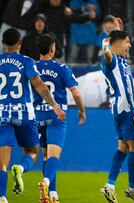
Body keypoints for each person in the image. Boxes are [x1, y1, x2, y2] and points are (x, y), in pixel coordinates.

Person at [0, 28, 65, 203]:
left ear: (3, 43)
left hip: (2, 114)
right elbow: (39, 85)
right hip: (25, 114)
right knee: (32, 152)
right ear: (20, 44)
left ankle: (2, 197)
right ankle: (21, 168)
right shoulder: (27, 61)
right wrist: (55, 106)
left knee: (2, 161)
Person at [34, 34, 86, 203]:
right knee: (54, 155)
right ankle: (46, 182)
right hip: (57, 115)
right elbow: (76, 93)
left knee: (45, 156)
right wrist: (82, 110)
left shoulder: (32, 68)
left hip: (37, 116)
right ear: (52, 48)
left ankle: (53, 196)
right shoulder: (62, 68)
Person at [99, 30, 134, 203]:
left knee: (123, 147)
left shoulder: (121, 60)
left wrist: (117, 27)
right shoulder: (111, 60)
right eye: (127, 42)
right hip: (126, 109)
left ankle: (110, 185)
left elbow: (115, 43)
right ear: (117, 44)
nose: (130, 45)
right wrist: (106, 43)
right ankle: (132, 188)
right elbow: (107, 54)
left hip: (119, 109)